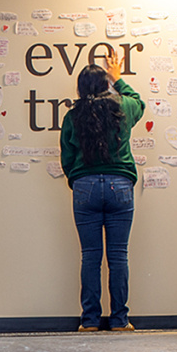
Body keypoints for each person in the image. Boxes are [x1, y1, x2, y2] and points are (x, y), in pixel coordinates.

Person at [60, 49, 145, 332]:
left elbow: (67, 158)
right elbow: (139, 102)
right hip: (120, 186)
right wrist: (118, 78)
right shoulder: (122, 107)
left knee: (90, 256)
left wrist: (79, 180)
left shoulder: (72, 117)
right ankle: (120, 320)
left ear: (81, 89)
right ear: (106, 85)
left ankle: (90, 321)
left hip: (85, 188)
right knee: (119, 255)